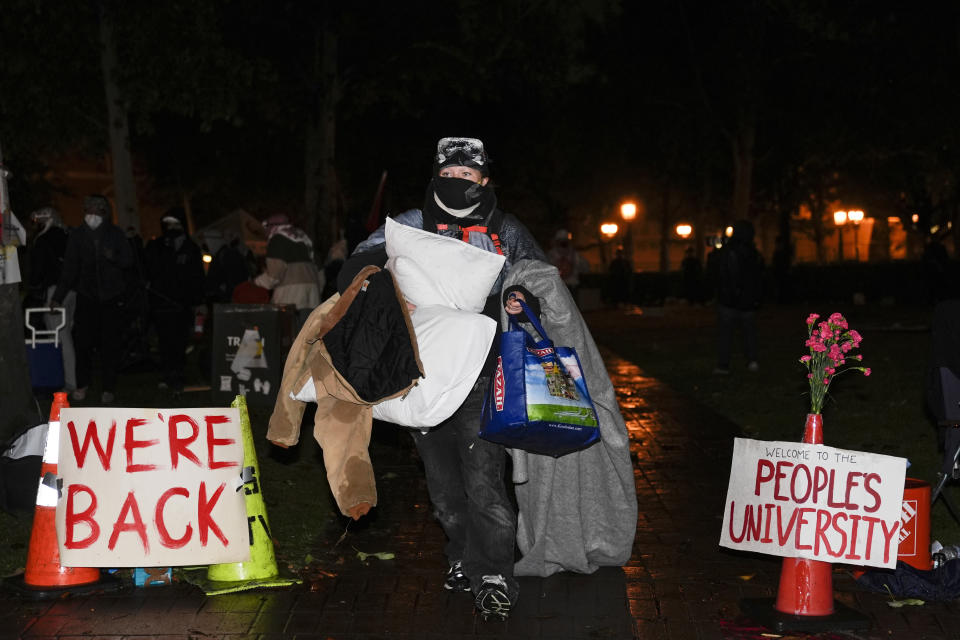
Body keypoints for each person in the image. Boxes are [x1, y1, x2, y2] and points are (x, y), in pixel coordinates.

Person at [337, 136, 546, 620]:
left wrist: (520, 302)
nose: (457, 182)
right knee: (446, 493)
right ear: (435, 176)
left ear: (484, 180)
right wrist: (386, 287)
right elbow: (354, 267)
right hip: (423, 378)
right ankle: (460, 556)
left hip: (481, 375)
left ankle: (494, 573)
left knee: (484, 484)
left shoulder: (506, 231)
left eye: (467, 176)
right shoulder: (411, 225)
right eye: (448, 175)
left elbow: (539, 280)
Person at [51, 195, 134, 404]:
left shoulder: (115, 234)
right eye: (89, 209)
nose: (92, 213)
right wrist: (57, 297)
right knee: (83, 343)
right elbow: (69, 268)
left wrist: (112, 256)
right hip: (87, 296)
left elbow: (128, 261)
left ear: (104, 212)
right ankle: (82, 384)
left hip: (111, 297)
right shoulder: (78, 235)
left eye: (97, 209)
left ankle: (108, 387)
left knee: (110, 344)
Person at [143, 207, 205, 394]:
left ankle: (178, 373)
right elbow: (149, 270)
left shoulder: (191, 248)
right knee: (164, 341)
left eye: (175, 224)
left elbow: (197, 276)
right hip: (162, 304)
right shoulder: (156, 246)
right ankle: (166, 373)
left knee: (180, 341)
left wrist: (199, 301)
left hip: (182, 305)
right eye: (167, 225)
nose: (171, 228)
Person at [28, 207, 77, 392]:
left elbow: (38, 270)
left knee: (59, 336)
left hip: (55, 291)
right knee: (66, 335)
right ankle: (67, 378)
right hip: (72, 291)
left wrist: (34, 284)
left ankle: (67, 381)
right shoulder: (67, 236)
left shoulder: (44, 240)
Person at [710, 219, 763, 374]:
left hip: (729, 300)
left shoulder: (728, 251)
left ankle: (723, 364)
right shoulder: (753, 252)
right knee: (748, 332)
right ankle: (752, 360)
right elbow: (758, 277)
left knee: (726, 333)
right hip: (747, 299)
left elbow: (721, 273)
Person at [254, 214, 323, 326]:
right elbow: (320, 270)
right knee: (307, 338)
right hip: (312, 296)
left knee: (290, 336)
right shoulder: (304, 238)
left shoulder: (277, 240)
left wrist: (257, 282)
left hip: (291, 297)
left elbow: (274, 275)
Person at [546, 228, 589, 300]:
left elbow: (586, 268)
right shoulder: (550, 255)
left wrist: (576, 263)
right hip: (557, 288)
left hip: (572, 287)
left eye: (565, 241)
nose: (563, 244)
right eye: (561, 241)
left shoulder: (575, 255)